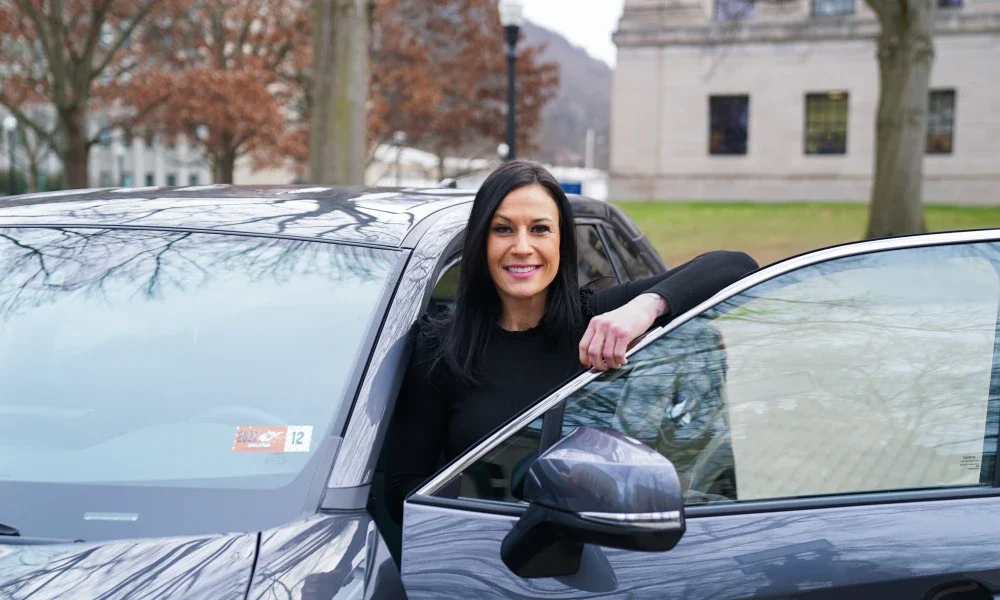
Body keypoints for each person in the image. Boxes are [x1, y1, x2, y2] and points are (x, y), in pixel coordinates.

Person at [382, 159, 757, 523]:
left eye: (540, 229)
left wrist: (644, 308)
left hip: (609, 543)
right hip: (482, 548)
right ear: (481, 241)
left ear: (561, 242)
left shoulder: (598, 318)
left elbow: (736, 266)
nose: (522, 247)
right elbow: (401, 487)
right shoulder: (439, 348)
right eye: (503, 229)